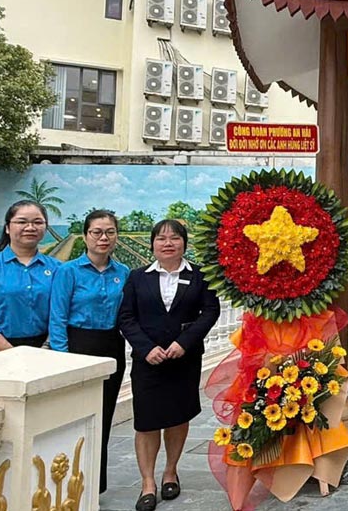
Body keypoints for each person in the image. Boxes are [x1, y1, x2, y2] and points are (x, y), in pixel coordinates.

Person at [118, 219, 220, 511]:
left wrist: (183, 342)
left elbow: (210, 311)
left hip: (183, 360)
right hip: (148, 361)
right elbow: (126, 317)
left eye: (174, 238)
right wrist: (146, 348)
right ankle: (147, 483)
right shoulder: (137, 277)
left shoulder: (199, 276)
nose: (167, 243)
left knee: (178, 416)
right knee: (147, 421)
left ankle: (170, 471)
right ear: (152, 244)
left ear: (184, 244)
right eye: (161, 238)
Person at [49, 210, 130, 494]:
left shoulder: (123, 273)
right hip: (77, 346)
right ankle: (66, 483)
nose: (103, 237)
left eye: (110, 232)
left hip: (111, 348)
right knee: (73, 417)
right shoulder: (67, 271)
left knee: (103, 416)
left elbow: (128, 316)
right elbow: (57, 317)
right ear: (85, 236)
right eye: (97, 232)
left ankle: (95, 484)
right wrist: (62, 358)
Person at [0, 201, 61, 355]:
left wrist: (47, 346)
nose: (30, 227)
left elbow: (62, 312)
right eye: (22, 222)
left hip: (46, 350)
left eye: (38, 222)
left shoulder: (58, 269)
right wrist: (10, 352)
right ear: (8, 228)